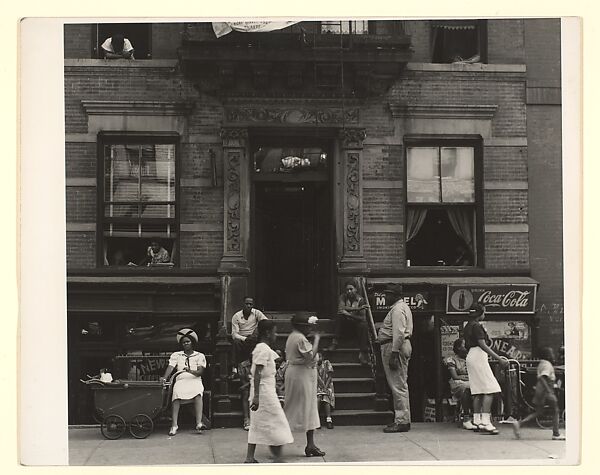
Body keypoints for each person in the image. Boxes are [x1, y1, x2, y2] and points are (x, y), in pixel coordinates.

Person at [245, 320, 294, 463]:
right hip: (263, 391)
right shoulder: (262, 349)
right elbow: (257, 374)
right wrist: (257, 397)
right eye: (275, 332)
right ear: (267, 333)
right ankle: (275, 453)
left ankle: (250, 457)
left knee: (259, 422)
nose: (276, 335)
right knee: (277, 420)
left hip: (267, 388)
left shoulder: (265, 348)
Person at [284, 312, 326, 457]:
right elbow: (310, 355)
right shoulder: (300, 339)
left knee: (309, 408)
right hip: (300, 375)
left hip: (303, 374)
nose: (310, 329)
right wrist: (317, 340)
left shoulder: (294, 336)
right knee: (296, 408)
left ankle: (311, 445)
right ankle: (276, 438)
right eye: (307, 326)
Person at [463, 303, 509, 435]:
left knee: (477, 390)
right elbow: (482, 345)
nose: (485, 314)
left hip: (471, 356)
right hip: (478, 356)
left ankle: (477, 420)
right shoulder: (477, 326)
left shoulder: (468, 325)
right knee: (491, 388)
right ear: (479, 313)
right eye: (484, 312)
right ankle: (485, 421)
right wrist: (499, 358)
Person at [512, 347, 565, 440]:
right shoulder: (547, 365)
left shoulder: (542, 364)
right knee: (556, 410)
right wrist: (549, 390)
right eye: (551, 353)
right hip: (546, 391)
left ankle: (519, 423)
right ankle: (556, 434)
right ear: (548, 355)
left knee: (539, 412)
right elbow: (543, 378)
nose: (553, 355)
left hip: (540, 390)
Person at [377, 295, 413, 433]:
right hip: (400, 345)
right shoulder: (403, 307)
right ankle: (403, 418)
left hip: (394, 345)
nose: (385, 296)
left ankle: (401, 421)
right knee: (401, 384)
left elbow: (398, 333)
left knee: (398, 385)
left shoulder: (397, 309)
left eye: (388, 293)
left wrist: (394, 352)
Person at [160, 328, 207, 436]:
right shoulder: (177, 355)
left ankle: (199, 423)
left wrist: (190, 371)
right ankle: (174, 425)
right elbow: (170, 367)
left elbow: (200, 372)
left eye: (188, 342)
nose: (186, 344)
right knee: (176, 395)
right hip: (180, 380)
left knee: (198, 393)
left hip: (194, 379)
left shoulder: (200, 356)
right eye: (184, 342)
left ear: (192, 343)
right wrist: (164, 377)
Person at [328, 281, 370, 365]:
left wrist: (349, 314)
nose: (349, 291)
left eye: (351, 289)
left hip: (355, 328)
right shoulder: (343, 297)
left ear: (356, 289)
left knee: (363, 325)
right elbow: (341, 308)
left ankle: (362, 354)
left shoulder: (361, 300)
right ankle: (334, 342)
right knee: (339, 316)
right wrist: (357, 309)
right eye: (347, 290)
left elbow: (363, 318)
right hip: (345, 327)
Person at [444, 338, 476, 430]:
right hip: (458, 382)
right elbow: (455, 376)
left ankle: (477, 417)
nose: (467, 347)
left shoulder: (470, 358)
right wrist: (465, 377)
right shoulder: (452, 359)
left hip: (470, 380)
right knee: (466, 388)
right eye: (464, 345)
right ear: (458, 347)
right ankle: (466, 418)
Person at [231, 297, 268, 364]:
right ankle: (236, 368)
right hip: (242, 339)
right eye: (247, 304)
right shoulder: (236, 316)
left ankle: (256, 365)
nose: (248, 306)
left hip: (253, 338)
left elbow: (266, 323)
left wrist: (257, 331)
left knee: (260, 343)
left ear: (253, 305)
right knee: (236, 342)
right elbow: (234, 334)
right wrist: (245, 339)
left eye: (250, 304)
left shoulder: (257, 313)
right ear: (243, 304)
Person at [316, 352, 335, 429]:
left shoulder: (327, 363)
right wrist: (322, 387)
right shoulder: (313, 365)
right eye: (317, 357)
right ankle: (317, 421)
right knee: (318, 398)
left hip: (328, 385)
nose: (318, 358)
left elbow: (330, 377)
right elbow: (317, 378)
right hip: (317, 386)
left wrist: (325, 387)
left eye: (319, 356)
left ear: (323, 357)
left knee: (326, 398)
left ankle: (329, 419)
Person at [238, 356, 252, 431]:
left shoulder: (261, 363)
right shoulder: (243, 365)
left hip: (259, 385)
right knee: (246, 393)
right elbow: (242, 380)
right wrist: (247, 385)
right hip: (247, 385)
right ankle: (246, 419)